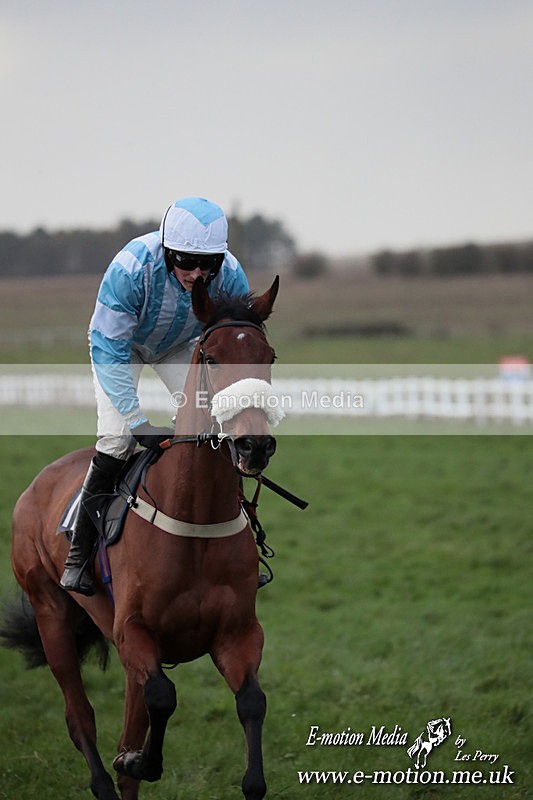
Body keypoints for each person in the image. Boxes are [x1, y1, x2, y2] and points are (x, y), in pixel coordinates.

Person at [61, 197, 249, 596]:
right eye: (186, 261)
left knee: (216, 425)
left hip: (179, 346)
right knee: (117, 441)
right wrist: (138, 422)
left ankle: (237, 542)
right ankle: (78, 554)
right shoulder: (130, 269)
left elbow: (234, 338)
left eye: (209, 264)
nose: (198, 274)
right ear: (166, 251)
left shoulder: (231, 274)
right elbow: (110, 349)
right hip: (121, 348)